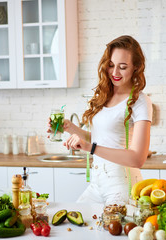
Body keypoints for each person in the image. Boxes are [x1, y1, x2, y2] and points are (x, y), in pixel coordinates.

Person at [48, 35, 152, 204]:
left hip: (121, 184)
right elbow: (102, 139)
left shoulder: (140, 101)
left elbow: (137, 159)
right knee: (76, 221)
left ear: (136, 67)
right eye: (111, 65)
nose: (115, 72)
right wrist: (70, 127)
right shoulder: (104, 95)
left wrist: (91, 148)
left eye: (123, 67)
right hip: (97, 183)